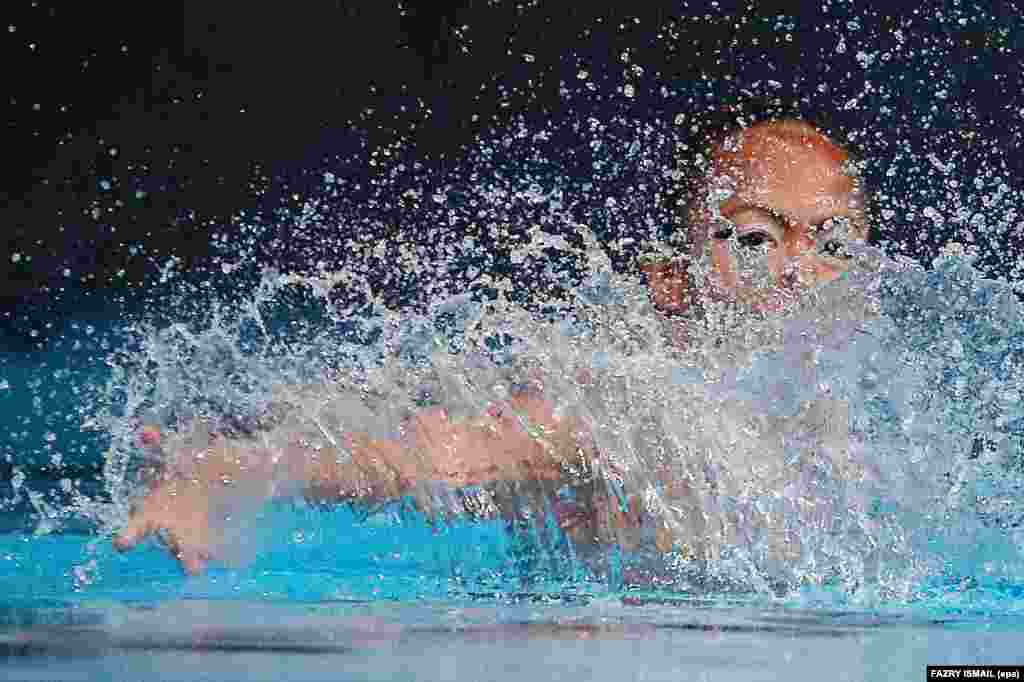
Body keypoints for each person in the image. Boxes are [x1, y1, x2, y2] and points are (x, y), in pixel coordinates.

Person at [114, 118, 869, 575]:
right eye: (754, 238)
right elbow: (440, 453)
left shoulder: (861, 409)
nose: (800, 270)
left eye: (832, 241)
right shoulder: (635, 410)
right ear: (671, 282)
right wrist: (231, 472)